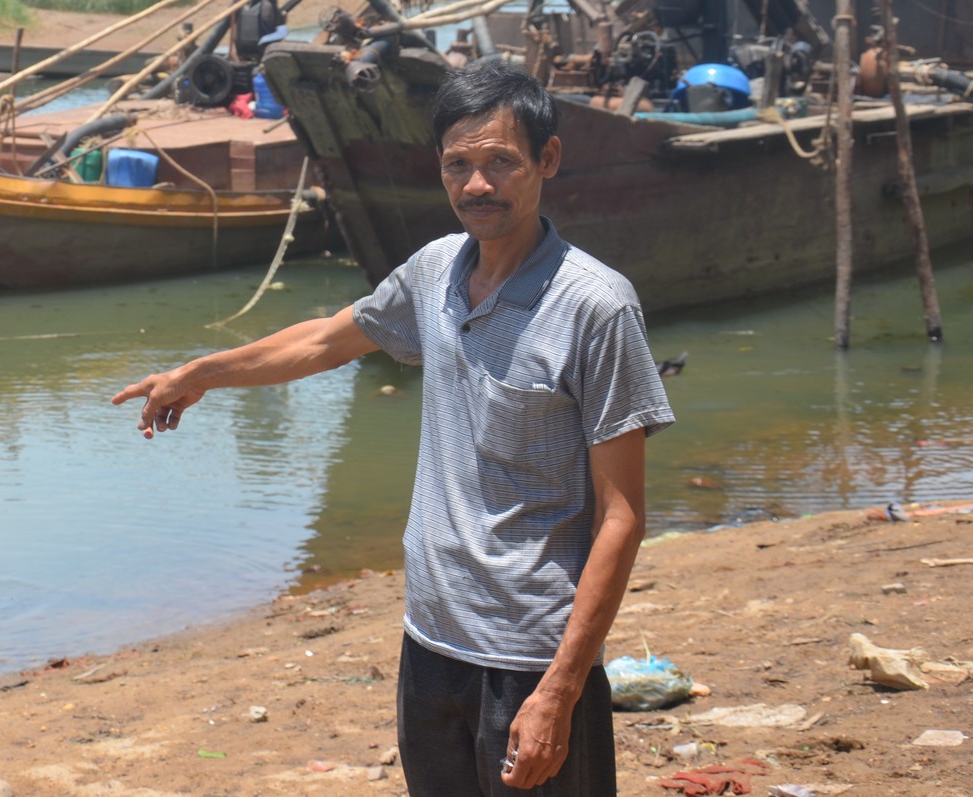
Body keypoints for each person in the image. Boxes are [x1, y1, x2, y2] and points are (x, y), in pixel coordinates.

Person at [112, 64, 673, 795]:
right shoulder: (436, 271)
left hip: (529, 656)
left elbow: (622, 517)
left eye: (501, 161)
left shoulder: (597, 306)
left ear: (548, 160)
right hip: (430, 642)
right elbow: (323, 340)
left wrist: (560, 689)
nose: (478, 184)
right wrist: (199, 373)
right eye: (458, 165)